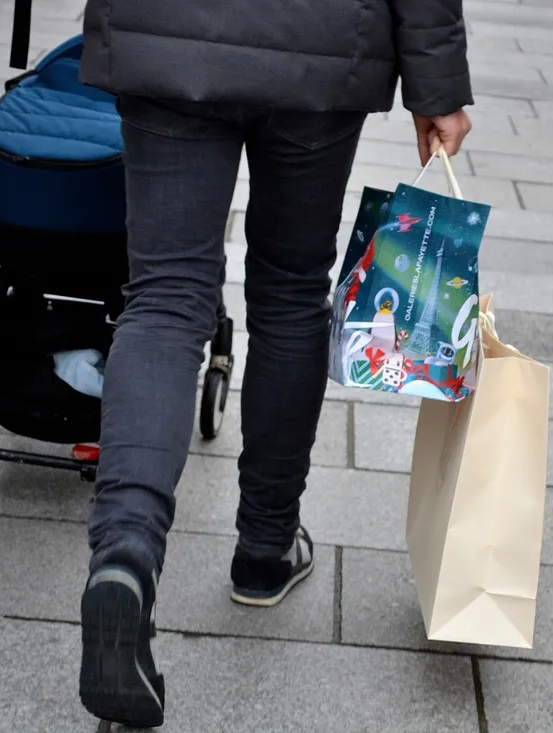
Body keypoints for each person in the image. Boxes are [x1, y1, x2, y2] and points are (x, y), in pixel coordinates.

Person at [74, 0, 473, 727]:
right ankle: (264, 547)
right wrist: (438, 83)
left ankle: (125, 552)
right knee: (291, 290)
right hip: (318, 42)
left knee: (164, 300)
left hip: (169, 36)